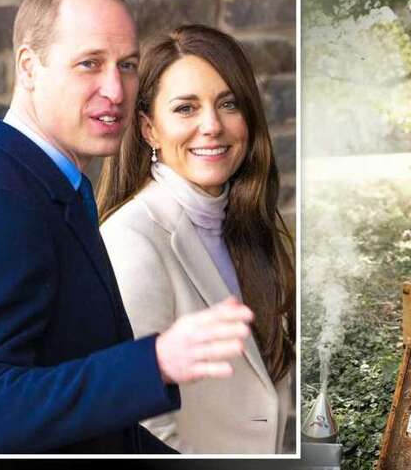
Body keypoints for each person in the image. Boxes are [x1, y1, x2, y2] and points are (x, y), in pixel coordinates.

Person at [0, 0, 254, 454]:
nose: (115, 90)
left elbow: (100, 431)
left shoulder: (59, 185)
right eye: (89, 64)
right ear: (29, 67)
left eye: (127, 65)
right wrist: (154, 361)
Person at [97, 24, 296, 454]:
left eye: (228, 104)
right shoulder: (132, 240)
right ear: (149, 128)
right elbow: (141, 426)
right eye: (186, 108)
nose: (212, 126)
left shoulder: (247, 227)